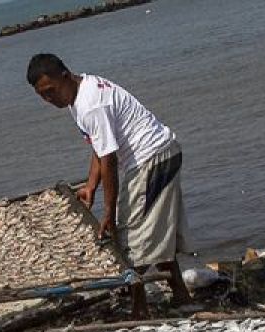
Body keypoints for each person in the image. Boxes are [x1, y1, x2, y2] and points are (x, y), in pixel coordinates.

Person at [27, 53, 193, 317]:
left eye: (51, 91)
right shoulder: (80, 94)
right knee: (154, 227)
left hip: (152, 158)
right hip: (160, 153)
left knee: (130, 237)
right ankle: (181, 295)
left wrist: (108, 214)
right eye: (43, 96)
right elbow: (99, 146)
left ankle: (140, 310)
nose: (50, 99)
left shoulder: (90, 104)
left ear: (65, 76)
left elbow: (109, 160)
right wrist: (91, 186)